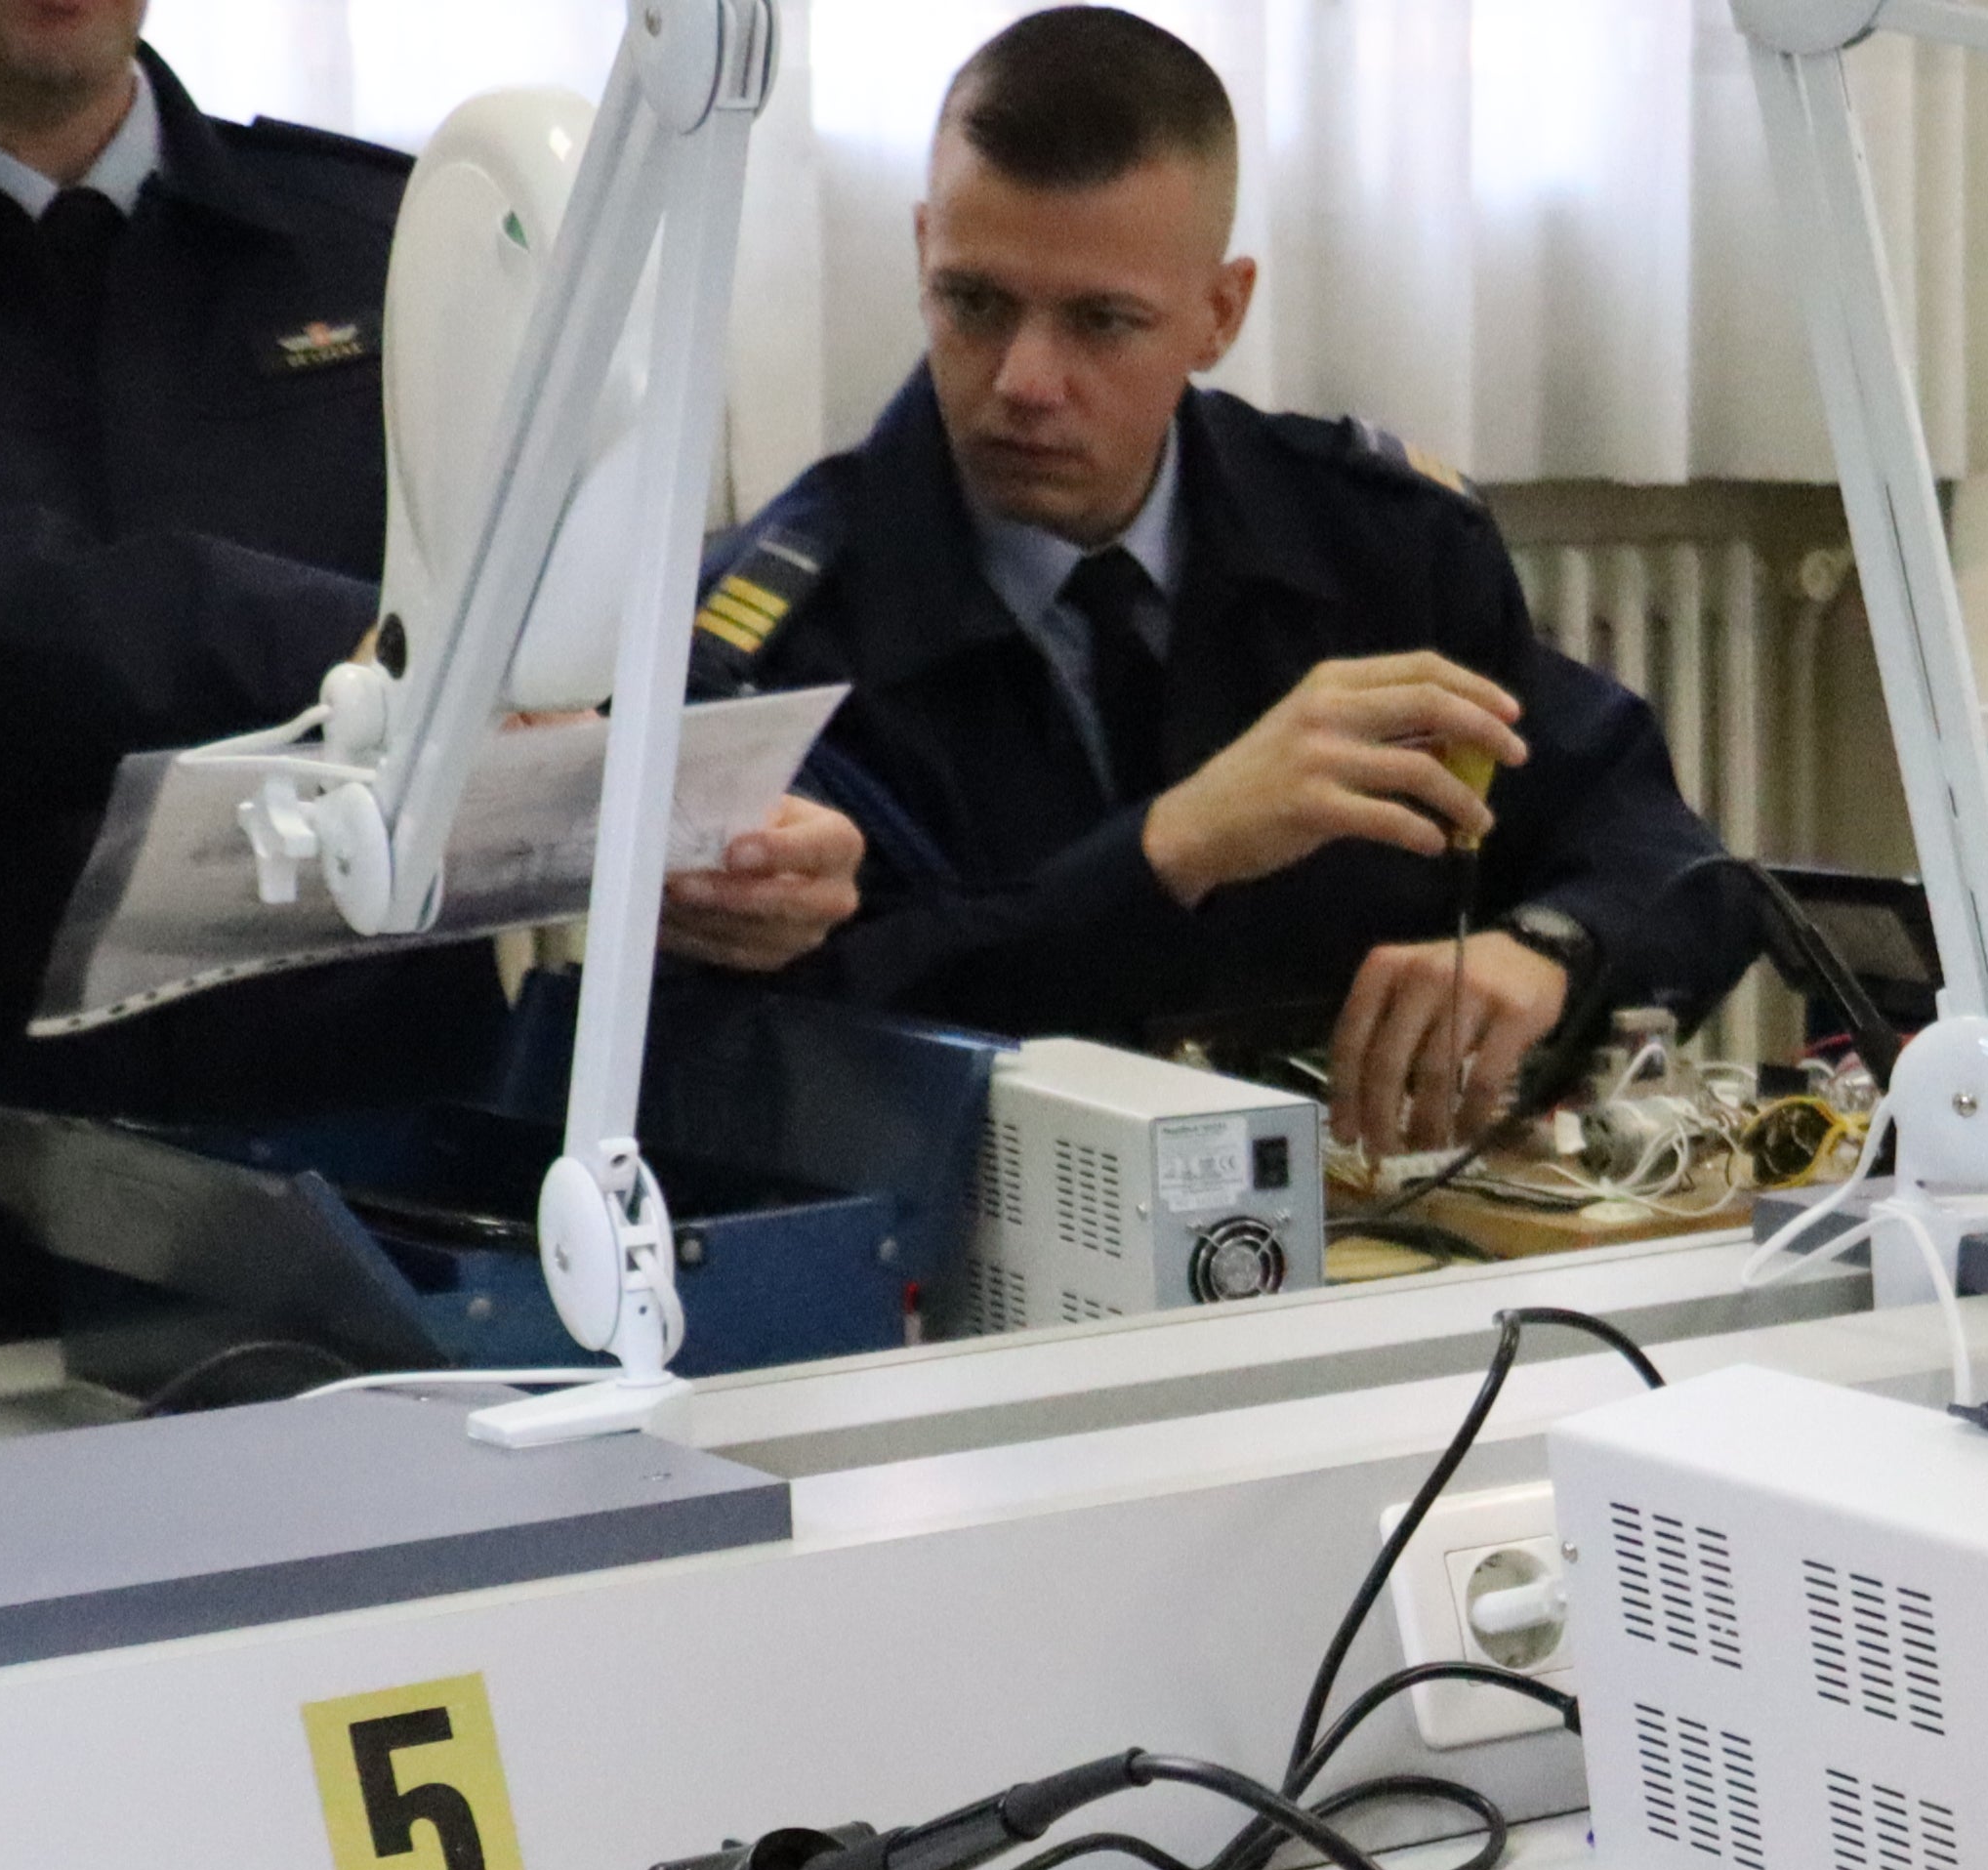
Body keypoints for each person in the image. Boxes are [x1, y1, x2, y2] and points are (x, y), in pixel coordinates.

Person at [0, 0, 864, 1339]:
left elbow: (571, 585)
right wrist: (364, 651)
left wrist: (700, 822)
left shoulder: (377, 227)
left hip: (395, 1183)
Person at [697, 9, 1752, 1161]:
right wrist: (1172, 852)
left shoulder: (1380, 549)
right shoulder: (776, 642)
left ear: (1220, 312)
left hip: (1379, 1238)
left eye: (1103, 320)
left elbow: (1670, 857)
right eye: (975, 303)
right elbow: (777, 1058)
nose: (1025, 381)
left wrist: (1550, 946)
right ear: (921, 255)